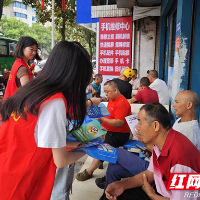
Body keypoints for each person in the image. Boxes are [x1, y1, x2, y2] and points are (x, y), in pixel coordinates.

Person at [0, 41, 99, 199]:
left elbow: (37, 137)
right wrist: (90, 149)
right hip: (20, 182)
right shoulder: (54, 100)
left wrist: (75, 144)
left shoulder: (32, 90)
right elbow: (61, 160)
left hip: (7, 168)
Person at [99, 90, 200, 198]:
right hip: (160, 189)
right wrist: (122, 185)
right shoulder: (160, 144)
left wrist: (150, 194)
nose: (137, 127)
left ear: (156, 126)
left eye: (140, 122)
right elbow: (151, 173)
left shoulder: (182, 160)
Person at [75, 80, 131, 181]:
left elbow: (119, 123)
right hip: (107, 130)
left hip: (119, 134)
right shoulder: (112, 100)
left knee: (104, 146)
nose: (106, 94)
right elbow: (108, 116)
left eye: (107, 92)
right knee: (85, 135)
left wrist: (102, 120)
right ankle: (97, 161)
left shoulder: (122, 103)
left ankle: (90, 170)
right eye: (104, 92)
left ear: (115, 90)